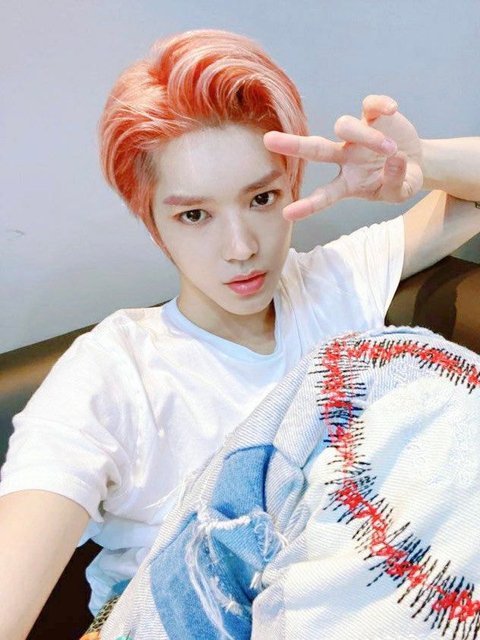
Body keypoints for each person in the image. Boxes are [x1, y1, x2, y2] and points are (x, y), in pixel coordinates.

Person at [0, 27, 479, 640]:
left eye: (261, 198)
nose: (241, 247)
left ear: (292, 185)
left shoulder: (333, 282)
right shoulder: (114, 371)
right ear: (153, 220)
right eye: (194, 215)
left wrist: (421, 162)